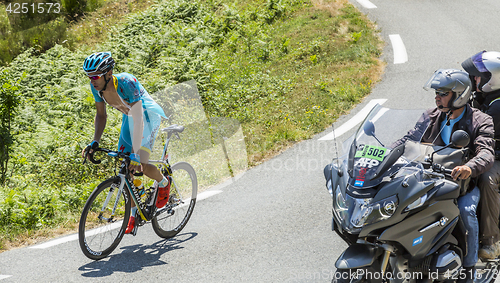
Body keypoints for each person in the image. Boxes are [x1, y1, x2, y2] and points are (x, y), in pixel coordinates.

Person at [395, 69, 495, 282]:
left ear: (459, 94)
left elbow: (486, 152)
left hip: (460, 182)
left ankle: (471, 269)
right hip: (427, 181)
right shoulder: (430, 116)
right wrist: (383, 154)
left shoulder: (480, 119)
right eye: (436, 92)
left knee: (467, 211)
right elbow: (407, 140)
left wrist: (469, 167)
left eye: (442, 92)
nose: (436, 96)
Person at [81, 52, 170, 234]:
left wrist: (137, 153)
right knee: (125, 168)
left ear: (108, 73)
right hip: (129, 120)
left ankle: (163, 182)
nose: (92, 80)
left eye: (96, 76)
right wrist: (95, 142)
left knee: (141, 164)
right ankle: (134, 213)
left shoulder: (126, 82)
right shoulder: (97, 88)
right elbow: (101, 115)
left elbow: (139, 118)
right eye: (89, 77)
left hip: (147, 117)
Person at [462, 51, 500, 259]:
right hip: (490, 153)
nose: (472, 79)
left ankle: (492, 241)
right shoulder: (485, 97)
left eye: (476, 76)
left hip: (497, 157)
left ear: (490, 79)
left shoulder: (497, 106)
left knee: (485, 178)